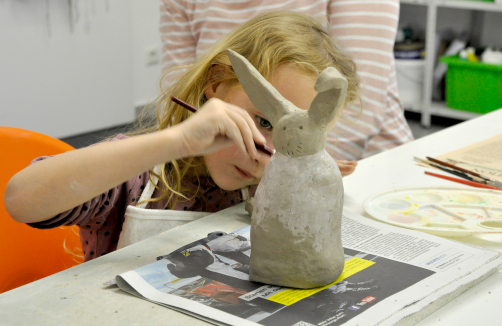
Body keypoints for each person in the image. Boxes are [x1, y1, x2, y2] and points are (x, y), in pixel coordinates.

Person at [4, 11, 359, 262]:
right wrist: (178, 140)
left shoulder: (279, 182)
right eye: (264, 123)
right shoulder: (140, 176)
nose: (264, 154)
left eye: (294, 140)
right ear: (216, 85)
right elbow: (22, 200)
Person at [159, 0, 414, 161]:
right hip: (243, 165)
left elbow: (356, 106)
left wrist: (288, 173)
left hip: (361, 162)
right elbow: (181, 90)